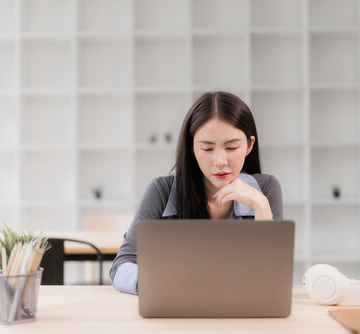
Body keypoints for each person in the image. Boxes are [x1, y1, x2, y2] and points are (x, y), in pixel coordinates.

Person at [109, 91, 283, 295]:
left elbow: (274, 278)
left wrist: (261, 208)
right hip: (177, 314)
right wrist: (159, 284)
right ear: (191, 148)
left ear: (249, 145)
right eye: (207, 149)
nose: (220, 161)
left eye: (232, 147)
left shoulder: (266, 188)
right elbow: (121, 265)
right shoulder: (162, 191)